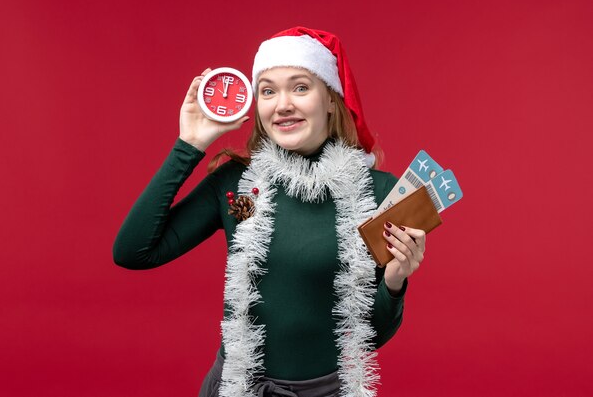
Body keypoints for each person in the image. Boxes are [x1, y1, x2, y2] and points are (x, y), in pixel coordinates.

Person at [113, 26, 427, 397]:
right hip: (235, 389)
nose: (282, 105)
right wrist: (189, 145)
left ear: (331, 99)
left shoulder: (379, 192)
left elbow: (367, 338)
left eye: (300, 87)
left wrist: (394, 282)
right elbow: (133, 252)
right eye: (267, 91)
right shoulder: (237, 184)